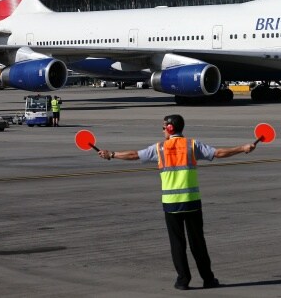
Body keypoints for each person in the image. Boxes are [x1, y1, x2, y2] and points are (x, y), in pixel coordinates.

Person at [97, 114, 256, 290]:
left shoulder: (160, 148)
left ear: (170, 128)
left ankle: (183, 280)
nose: (162, 130)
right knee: (198, 243)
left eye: (164, 127)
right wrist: (242, 148)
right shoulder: (192, 145)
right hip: (191, 202)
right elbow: (218, 153)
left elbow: (134, 155)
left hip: (171, 204)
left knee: (177, 244)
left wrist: (111, 154)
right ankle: (208, 279)